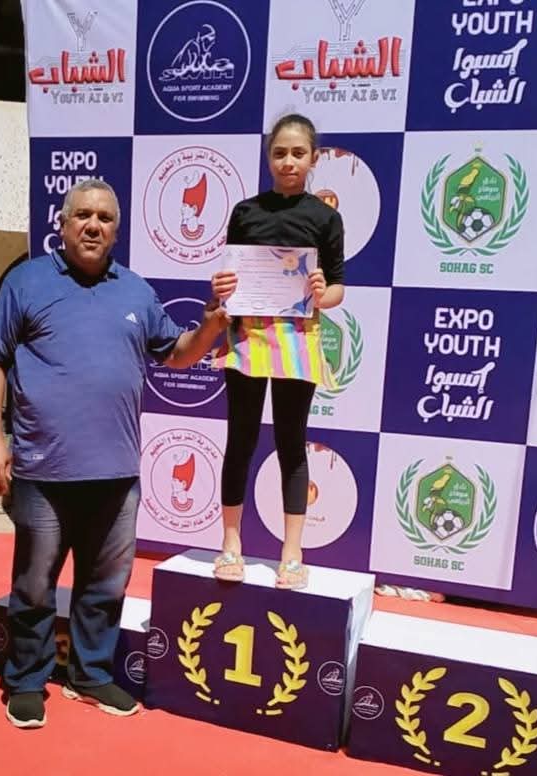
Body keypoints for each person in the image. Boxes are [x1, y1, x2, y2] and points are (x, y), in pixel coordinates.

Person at [0, 178, 229, 729]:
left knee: (106, 586)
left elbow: (177, 353)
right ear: (63, 224)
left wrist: (211, 323)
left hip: (117, 473)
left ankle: (89, 674)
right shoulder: (26, 281)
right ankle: (26, 680)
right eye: (83, 215)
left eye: (105, 218)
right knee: (34, 586)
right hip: (42, 470)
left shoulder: (135, 291)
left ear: (116, 230)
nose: (93, 225)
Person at [211, 113, 345, 591]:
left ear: (314, 158)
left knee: (292, 442)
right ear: (269, 157)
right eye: (280, 153)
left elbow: (337, 290)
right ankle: (231, 543)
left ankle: (292, 552)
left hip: (297, 340)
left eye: (298, 153)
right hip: (247, 336)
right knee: (241, 439)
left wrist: (321, 291)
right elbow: (230, 278)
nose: (289, 161)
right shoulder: (246, 212)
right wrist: (221, 288)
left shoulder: (326, 218)